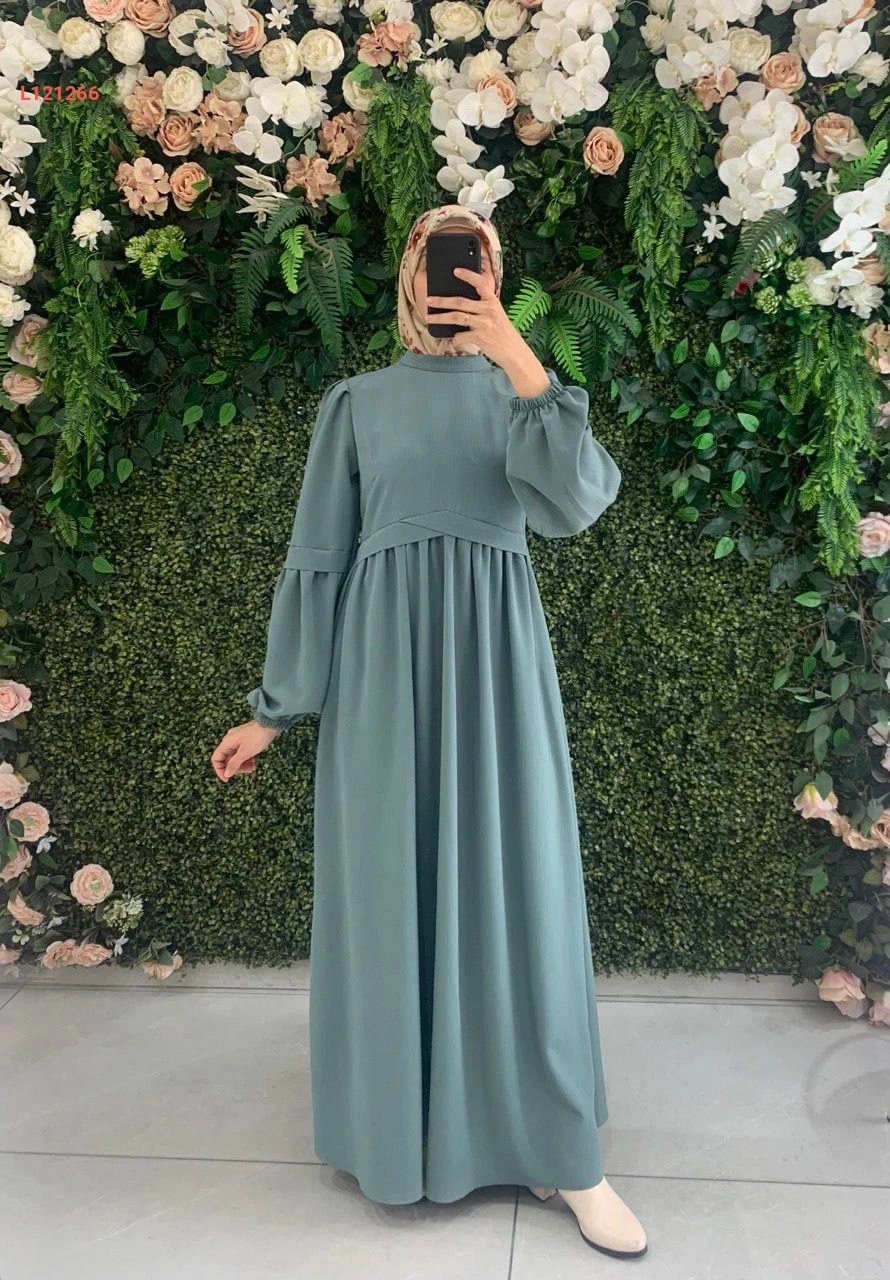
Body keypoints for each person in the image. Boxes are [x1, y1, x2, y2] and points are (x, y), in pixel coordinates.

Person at [212, 203, 647, 1259]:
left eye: (476, 257)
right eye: (438, 256)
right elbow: (318, 555)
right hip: (381, 679)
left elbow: (578, 502)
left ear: (495, 275)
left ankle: (561, 1153)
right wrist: (274, 709)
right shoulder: (355, 404)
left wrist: (518, 355)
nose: (454, 274)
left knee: (520, 889)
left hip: (498, 673)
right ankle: (400, 1137)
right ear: (410, 273)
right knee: (388, 894)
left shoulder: (525, 395)